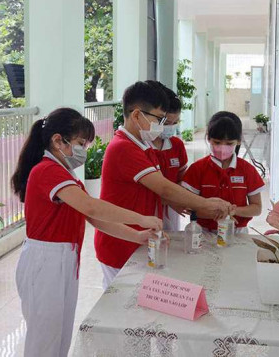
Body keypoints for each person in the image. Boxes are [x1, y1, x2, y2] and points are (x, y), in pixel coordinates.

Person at [11, 108, 163, 357]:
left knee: (59, 336)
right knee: (44, 340)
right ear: (58, 140)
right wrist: (140, 218)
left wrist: (136, 235)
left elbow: (93, 217)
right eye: (81, 143)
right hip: (45, 261)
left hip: (63, 259)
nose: (84, 150)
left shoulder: (65, 175)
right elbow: (92, 206)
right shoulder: (46, 171)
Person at [94, 81, 234, 288]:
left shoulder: (143, 147)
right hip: (121, 243)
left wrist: (202, 203)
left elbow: (165, 189)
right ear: (136, 115)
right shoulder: (123, 148)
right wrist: (205, 204)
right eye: (159, 119)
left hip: (141, 239)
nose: (162, 126)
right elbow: (165, 187)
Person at [181, 112, 264, 234]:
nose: (222, 147)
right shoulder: (197, 169)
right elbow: (188, 206)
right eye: (217, 142)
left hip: (237, 233)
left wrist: (233, 211)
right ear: (208, 138)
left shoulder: (247, 170)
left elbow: (257, 208)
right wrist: (214, 212)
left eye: (229, 143)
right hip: (204, 232)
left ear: (239, 141)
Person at [147, 81, 189, 231]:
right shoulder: (141, 146)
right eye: (167, 122)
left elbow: (182, 177)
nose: (171, 127)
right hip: (147, 212)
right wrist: (170, 199)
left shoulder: (176, 145)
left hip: (172, 212)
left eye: (175, 122)